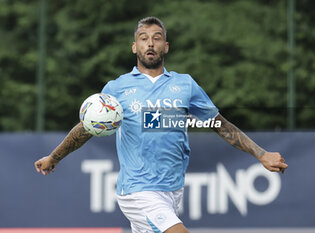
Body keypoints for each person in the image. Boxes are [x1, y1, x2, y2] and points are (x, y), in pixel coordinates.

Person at [35, 16, 288, 233]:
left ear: (166, 46)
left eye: (157, 38)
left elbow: (219, 125)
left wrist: (262, 154)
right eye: (143, 38)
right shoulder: (116, 88)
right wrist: (54, 157)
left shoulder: (186, 84)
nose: (150, 43)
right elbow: (87, 128)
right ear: (134, 47)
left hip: (173, 190)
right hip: (137, 190)